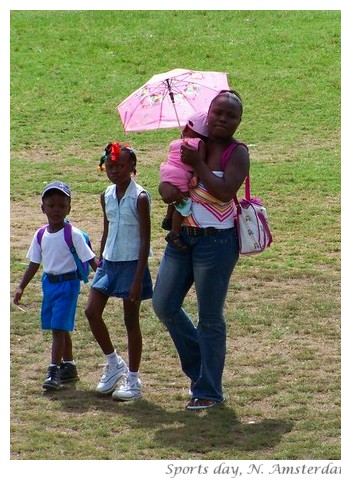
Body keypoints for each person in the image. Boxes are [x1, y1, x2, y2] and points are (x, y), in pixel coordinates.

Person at [152, 90, 249, 410]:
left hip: (217, 243)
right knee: (164, 304)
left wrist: (199, 165)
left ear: (239, 121)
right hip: (182, 240)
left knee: (210, 318)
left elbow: (223, 193)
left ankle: (209, 389)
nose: (222, 119)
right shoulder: (192, 143)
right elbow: (173, 182)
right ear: (208, 113)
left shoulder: (237, 152)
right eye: (218, 113)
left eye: (230, 115)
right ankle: (200, 372)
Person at [13, 181, 98, 391]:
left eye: (62, 205)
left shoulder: (74, 234)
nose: (56, 210)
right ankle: (69, 366)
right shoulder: (41, 234)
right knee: (58, 326)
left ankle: (54, 370)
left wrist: (106, 279)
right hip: (49, 285)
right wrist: (21, 286)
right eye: (51, 205)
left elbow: (92, 260)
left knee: (58, 328)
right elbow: (34, 262)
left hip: (68, 286)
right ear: (43, 208)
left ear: (69, 207)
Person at [84, 143, 153, 401]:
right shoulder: (106, 195)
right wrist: (100, 261)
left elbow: (145, 239)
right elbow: (107, 229)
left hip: (132, 264)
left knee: (130, 321)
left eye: (120, 166)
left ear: (132, 167)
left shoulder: (141, 197)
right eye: (109, 166)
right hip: (109, 263)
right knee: (91, 312)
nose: (114, 171)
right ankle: (114, 364)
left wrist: (137, 278)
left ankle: (133, 379)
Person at [160, 111, 209, 251]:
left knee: (174, 196)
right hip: (181, 174)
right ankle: (174, 233)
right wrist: (195, 177)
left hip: (166, 171)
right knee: (184, 204)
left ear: (186, 128)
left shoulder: (174, 142)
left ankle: (168, 217)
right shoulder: (199, 143)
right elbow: (199, 162)